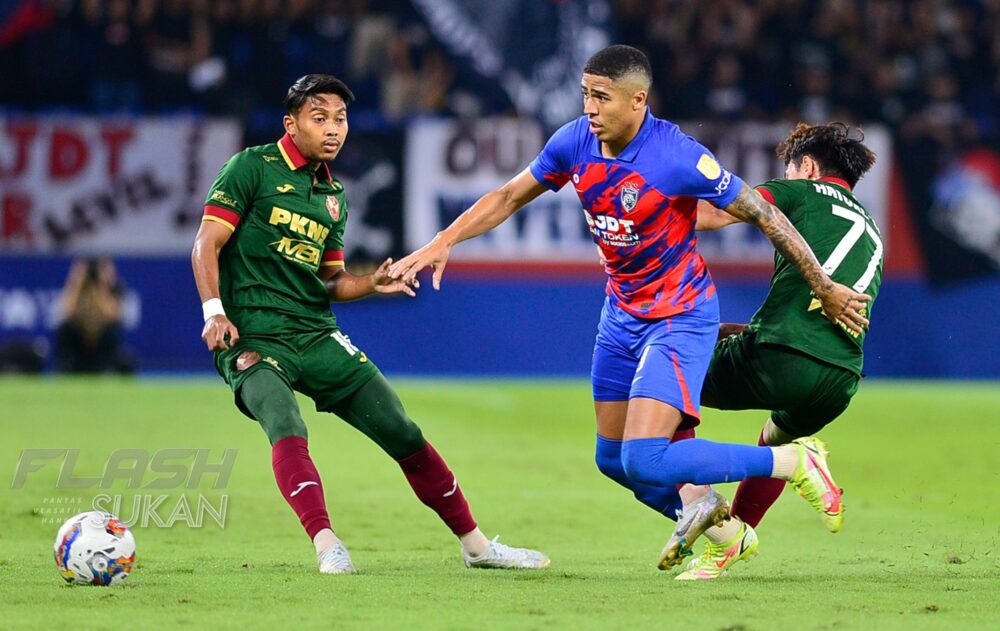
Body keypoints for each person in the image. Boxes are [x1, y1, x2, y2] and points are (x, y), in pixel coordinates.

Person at [389, 45, 871, 579]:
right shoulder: (574, 141)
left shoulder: (678, 154)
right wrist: (444, 240)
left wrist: (823, 286)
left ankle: (795, 462)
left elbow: (761, 214)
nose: (590, 108)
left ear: (637, 100)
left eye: (602, 97)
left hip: (681, 314)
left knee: (646, 457)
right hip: (620, 316)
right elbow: (507, 196)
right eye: (586, 95)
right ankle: (729, 533)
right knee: (614, 460)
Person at [191, 74, 549, 575]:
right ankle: (326, 543)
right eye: (320, 118)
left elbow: (331, 281)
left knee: (401, 430)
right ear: (290, 123)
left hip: (314, 333)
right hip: (252, 335)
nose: (333, 129)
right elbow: (206, 243)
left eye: (340, 119)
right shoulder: (251, 168)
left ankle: (477, 547)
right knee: (284, 420)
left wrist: (371, 282)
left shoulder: (333, 194)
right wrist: (215, 313)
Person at [663, 122, 881, 579]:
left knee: (653, 388)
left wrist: (641, 210)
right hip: (839, 380)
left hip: (783, 356)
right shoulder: (873, 230)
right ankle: (732, 540)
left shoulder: (800, 192)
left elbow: (714, 214)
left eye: (788, 167)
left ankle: (700, 507)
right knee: (774, 439)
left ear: (806, 166)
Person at [55, 257, 132, 374]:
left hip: (100, 342)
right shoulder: (79, 289)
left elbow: (113, 316)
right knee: (64, 328)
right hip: (79, 340)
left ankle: (106, 368)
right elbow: (68, 312)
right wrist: (76, 281)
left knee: (112, 331)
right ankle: (66, 367)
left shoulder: (114, 289)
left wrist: (102, 286)